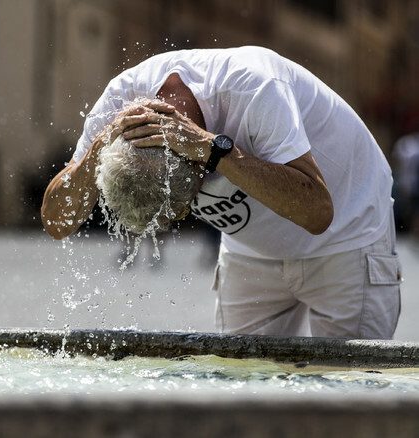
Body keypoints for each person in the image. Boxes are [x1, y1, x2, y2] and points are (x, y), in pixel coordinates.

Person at [41, 46, 402, 339]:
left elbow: (319, 213)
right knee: (239, 386)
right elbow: (57, 222)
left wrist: (215, 149)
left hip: (347, 233)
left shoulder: (254, 87)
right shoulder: (119, 103)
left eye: (183, 209)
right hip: (251, 248)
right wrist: (96, 150)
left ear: (199, 170)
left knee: (351, 389)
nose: (184, 219)